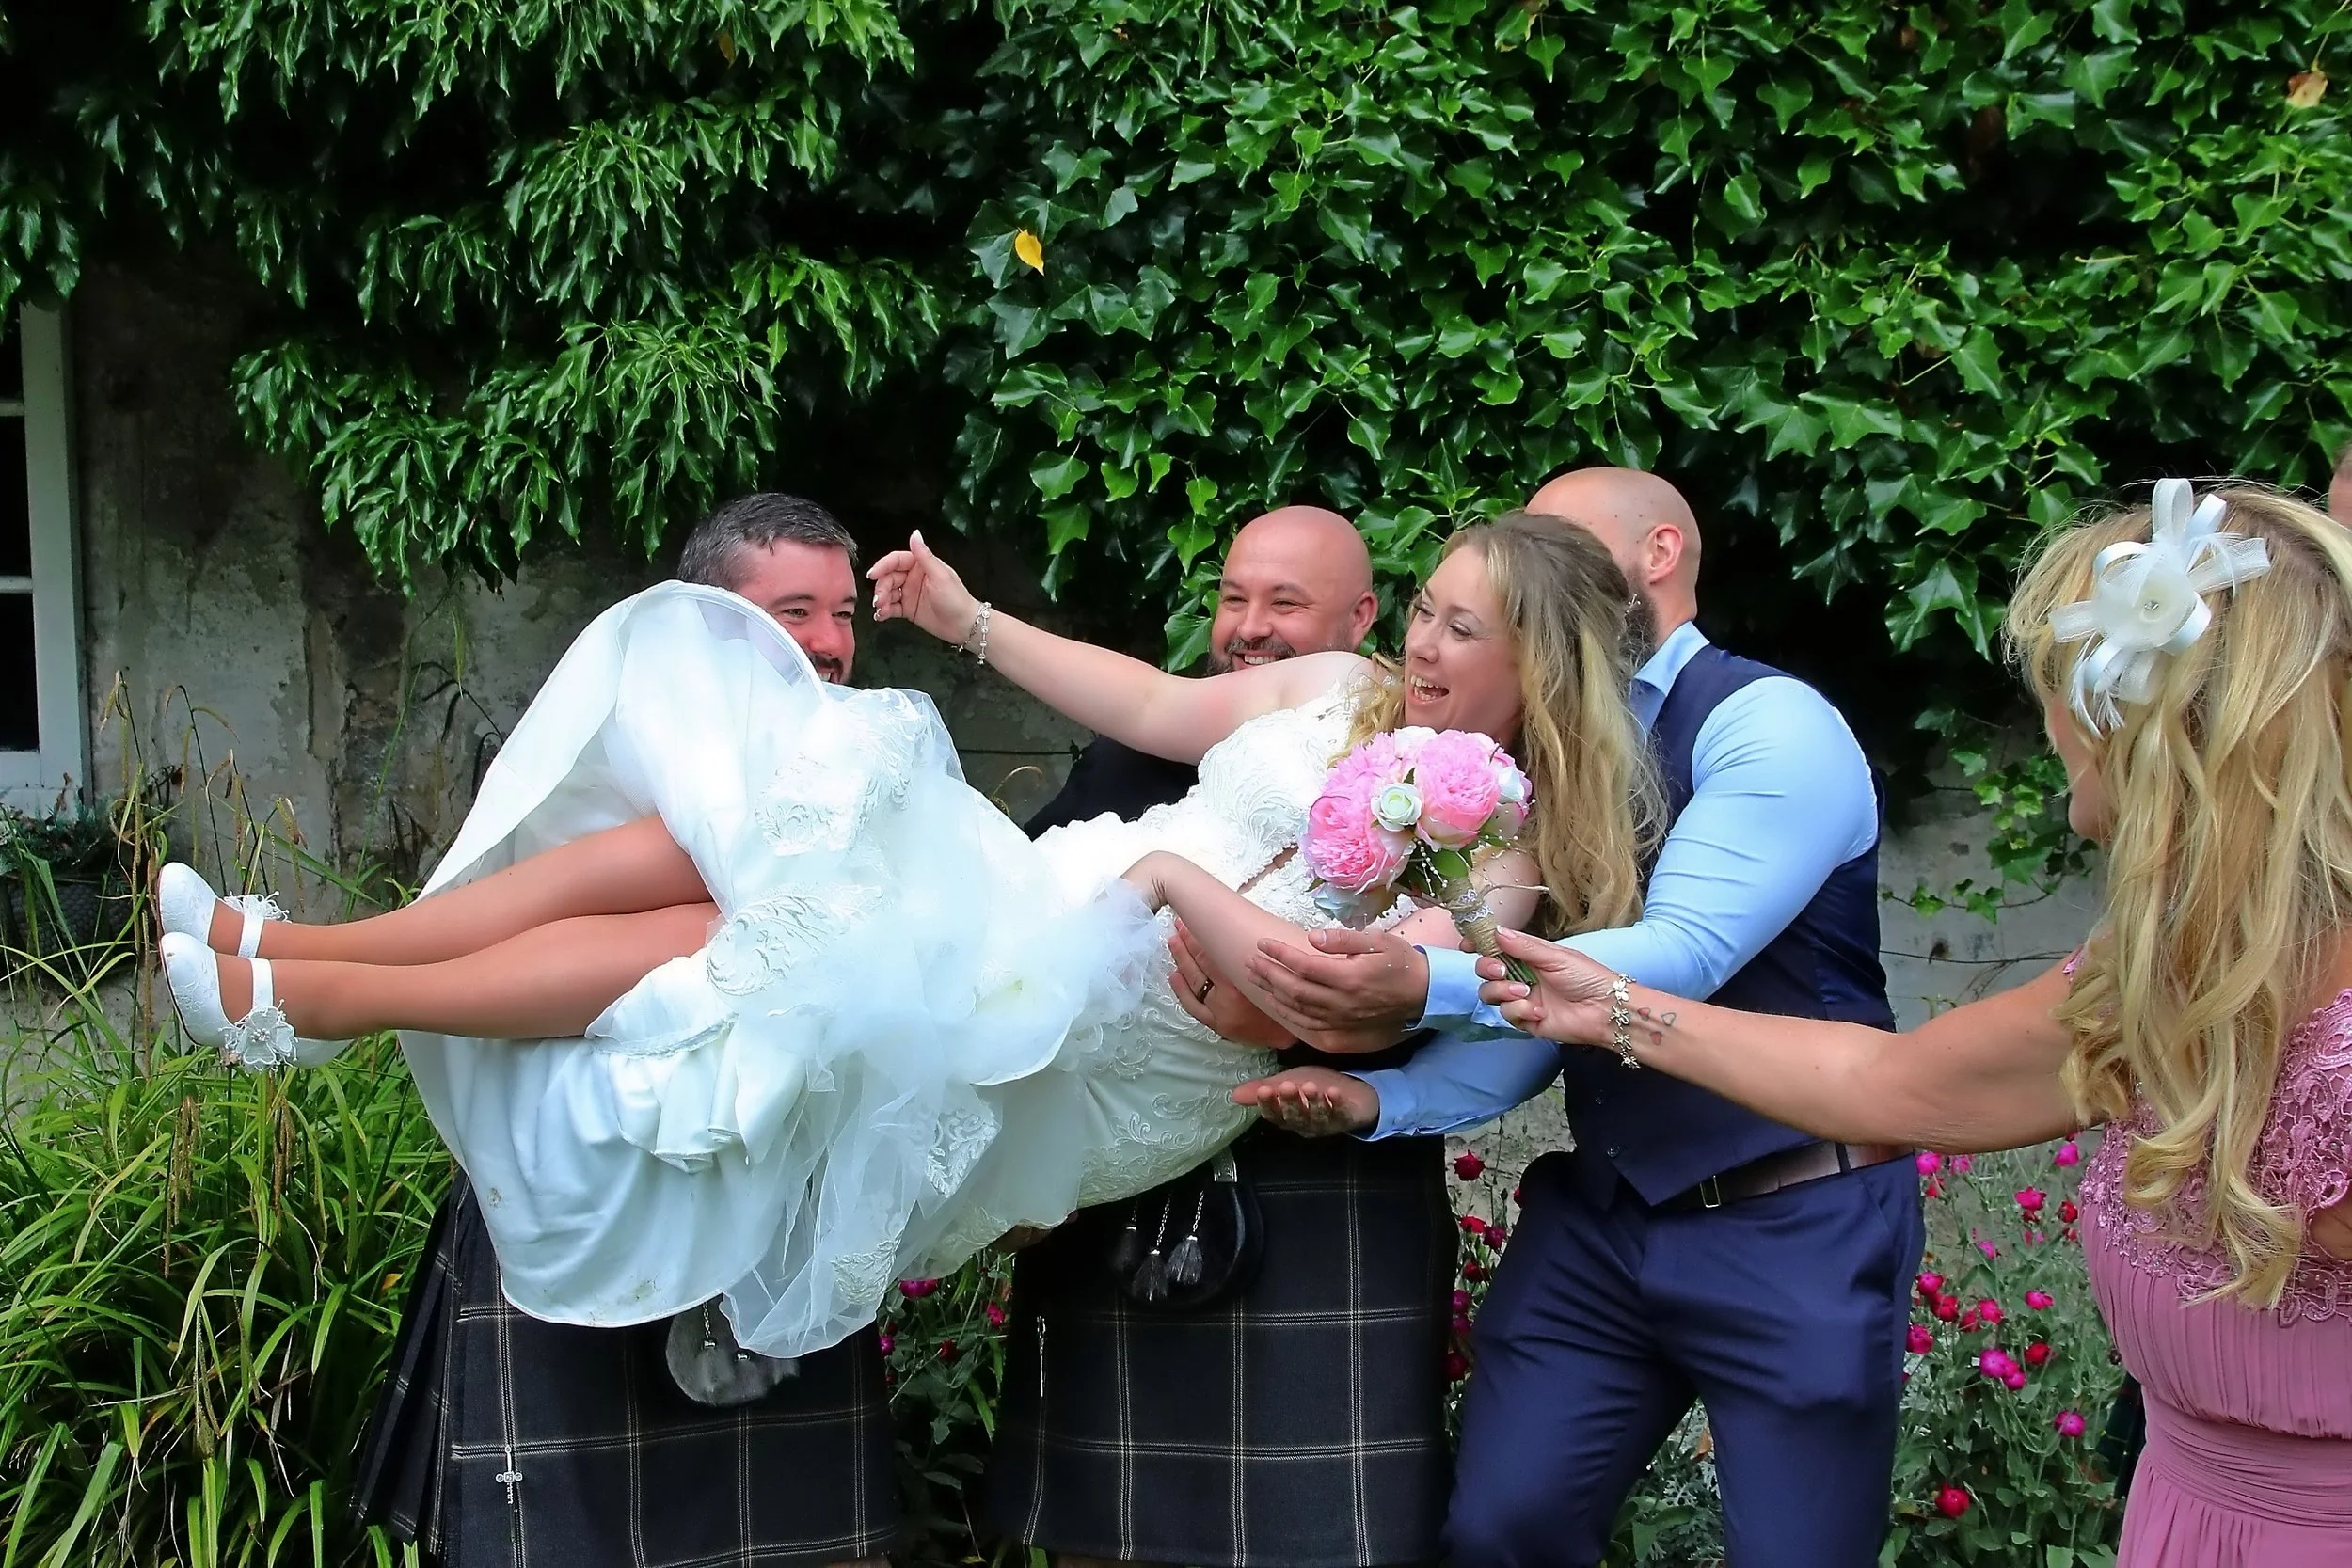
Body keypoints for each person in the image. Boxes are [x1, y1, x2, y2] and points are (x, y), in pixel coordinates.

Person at [151, 513, 1654, 1389]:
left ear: (1541, 660)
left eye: (1465, 627)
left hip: (1113, 1051)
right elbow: (1145, 702)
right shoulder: (1346, 691)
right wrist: (968, 617)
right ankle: (304, 959)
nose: (1432, 648)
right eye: (1433, 612)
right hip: (1046, 899)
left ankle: (311, 991)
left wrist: (1176, 885)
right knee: (720, 863)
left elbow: (1328, 1008)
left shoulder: (1511, 859)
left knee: (734, 938)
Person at [1470, 478, 2352, 1567]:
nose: (2043, 719)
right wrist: (1614, 1008)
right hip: (2186, 1517)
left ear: (2138, 714)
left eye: (2051, 680)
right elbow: (1898, 1086)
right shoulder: (2157, 964)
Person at [1218, 467, 1921, 1568]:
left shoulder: (1766, 721)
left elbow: (1680, 955)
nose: (1520, 577)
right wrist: (1384, 1096)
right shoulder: (1529, 759)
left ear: (1656, 556)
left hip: (1793, 1215)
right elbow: (1536, 1039)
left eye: (1554, 543)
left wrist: (1423, 978)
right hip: (1601, 1218)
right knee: (1502, 1527)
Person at [246, 494, 896, 1568]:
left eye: (840, 613)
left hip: (776, 1205)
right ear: (706, 625)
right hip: (584, 1177)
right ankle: (314, 972)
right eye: (795, 613)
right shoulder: (624, 747)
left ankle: (320, 975)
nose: (829, 644)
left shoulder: (859, 759)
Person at [988, 506, 1460, 1568]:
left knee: (1316, 1540)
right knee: (1103, 1533)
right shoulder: (1151, 746)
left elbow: (1459, 987)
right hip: (1125, 1185)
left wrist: (1304, 1027)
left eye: (1282, 602)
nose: (1247, 627)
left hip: (1322, 1184)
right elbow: (1025, 913)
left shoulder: (1464, 792)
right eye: (1232, 597)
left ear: (1363, 615)